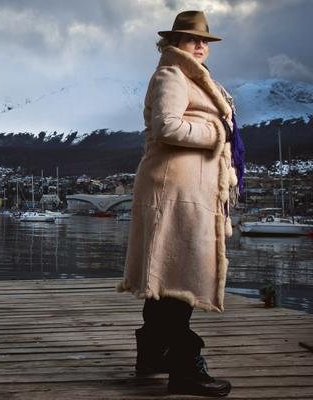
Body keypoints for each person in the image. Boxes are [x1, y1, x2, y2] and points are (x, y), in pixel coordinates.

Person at [117, 10, 238, 398]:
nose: (200, 46)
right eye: (191, 40)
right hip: (173, 192)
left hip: (188, 192)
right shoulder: (171, 75)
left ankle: (152, 356)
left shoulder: (196, 79)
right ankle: (187, 366)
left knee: (166, 279)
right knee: (178, 279)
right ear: (173, 44)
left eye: (204, 40)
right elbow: (167, 126)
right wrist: (216, 130)